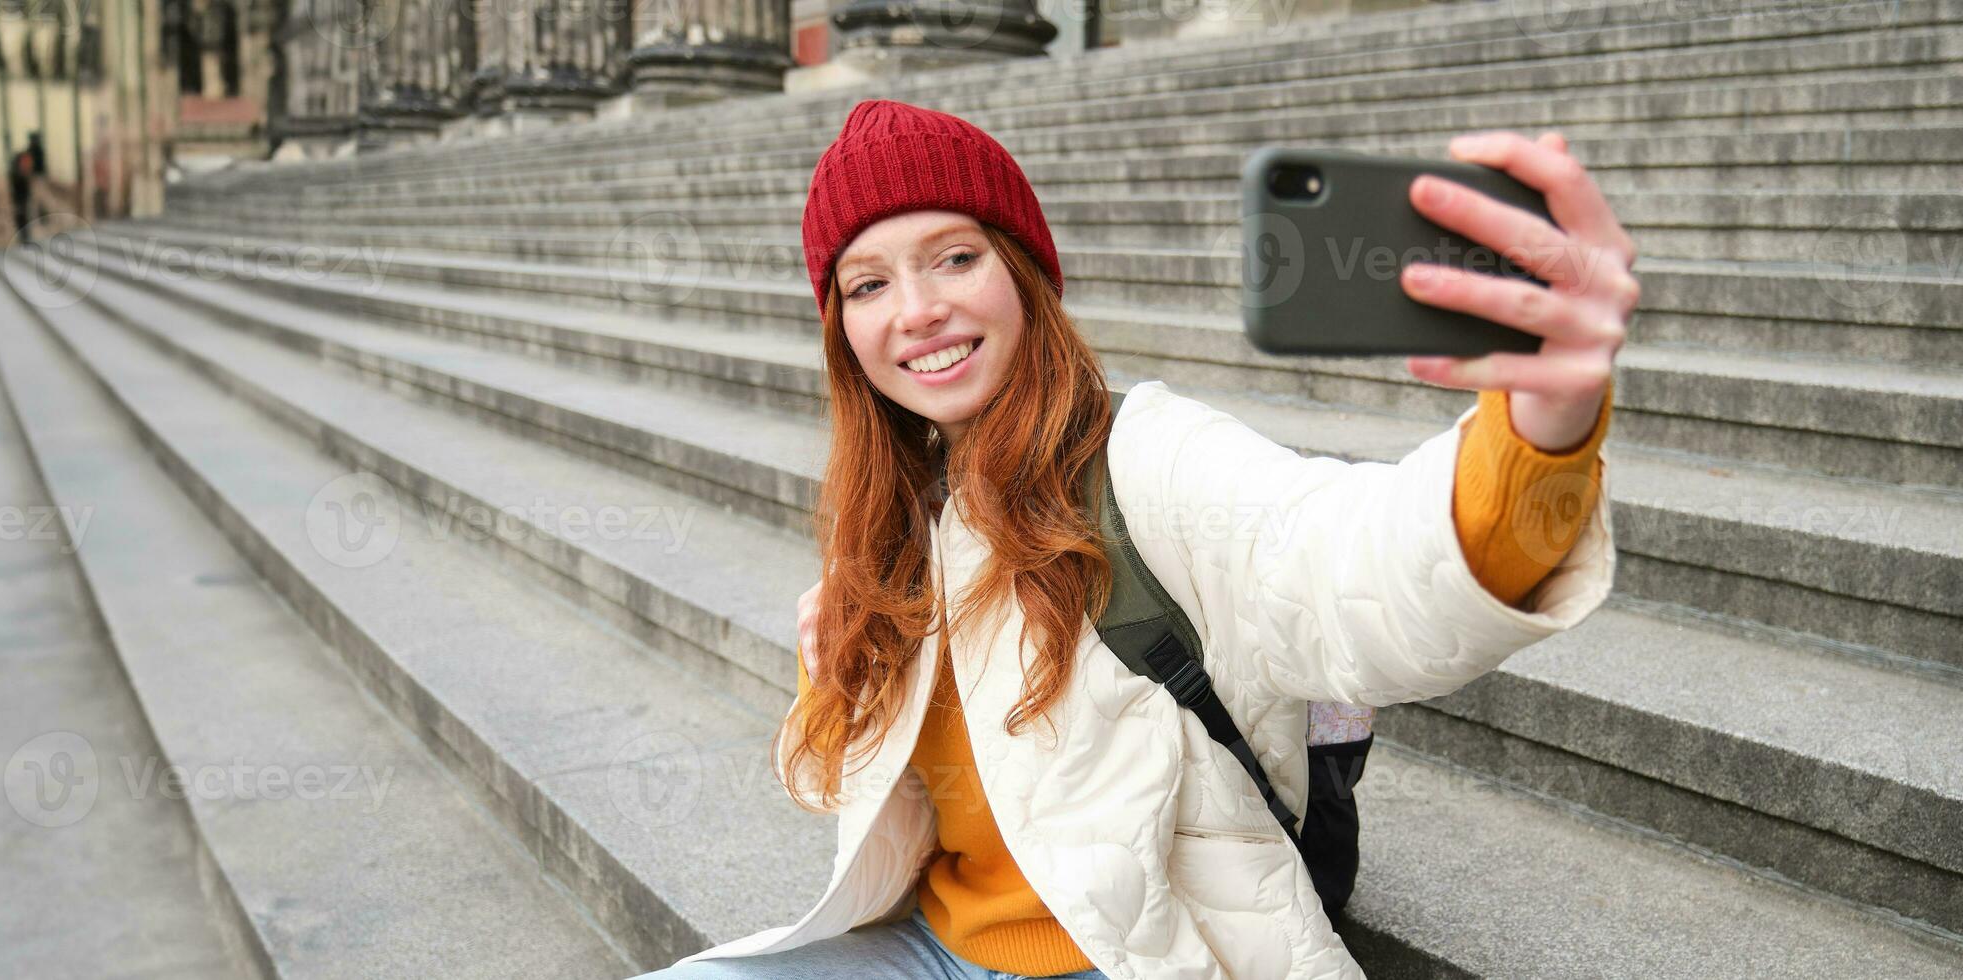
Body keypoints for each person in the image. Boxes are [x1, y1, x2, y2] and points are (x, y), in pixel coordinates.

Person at [632, 99, 1636, 979]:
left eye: (953, 256)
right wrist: (834, 674)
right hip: (929, 943)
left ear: (1021, 270)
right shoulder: (892, 504)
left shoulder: (1148, 452)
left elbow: (1350, 565)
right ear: (839, 327)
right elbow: (836, 783)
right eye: (867, 284)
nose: (919, 308)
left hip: (1139, 950)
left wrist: (1542, 422)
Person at [9, 131, 43, 246]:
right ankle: (23, 235)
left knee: (23, 212)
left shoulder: (27, 156)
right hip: (19, 191)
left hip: (21, 191)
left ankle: (24, 235)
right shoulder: (26, 158)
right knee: (21, 213)